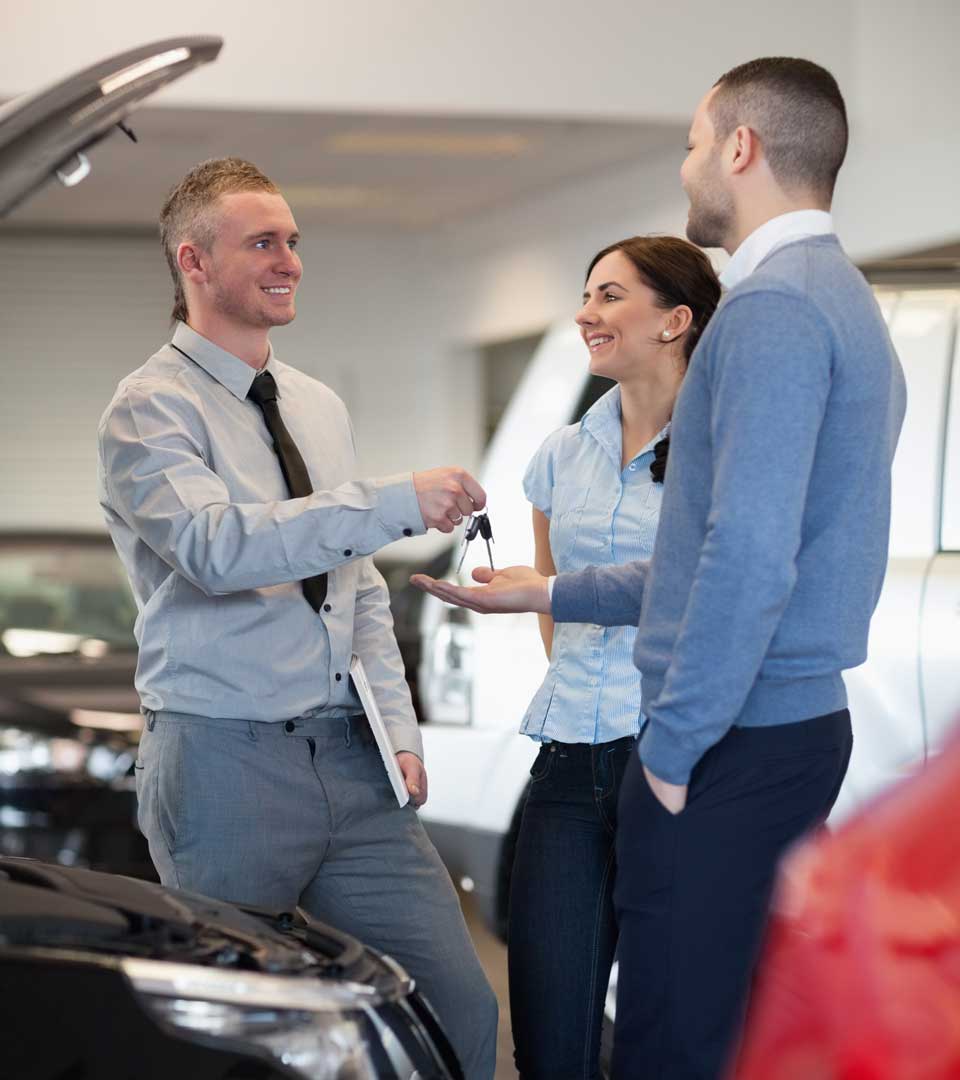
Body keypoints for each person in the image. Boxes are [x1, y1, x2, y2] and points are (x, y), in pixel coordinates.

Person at [412, 57, 906, 1079]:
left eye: (693, 144)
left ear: (741, 148)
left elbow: (748, 556)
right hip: (779, 727)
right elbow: (706, 561)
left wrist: (672, 751)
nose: (686, 168)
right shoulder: (843, 300)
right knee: (712, 1033)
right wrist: (548, 592)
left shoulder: (772, 311)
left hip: (729, 737)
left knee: (669, 1043)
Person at [98, 157, 498, 1079]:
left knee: (456, 1008)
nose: (289, 262)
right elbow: (216, 548)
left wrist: (396, 728)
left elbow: (355, 589)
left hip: (354, 764)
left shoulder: (318, 405)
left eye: (293, 241)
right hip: (222, 765)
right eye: (262, 243)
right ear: (194, 261)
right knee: (231, 1037)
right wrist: (393, 500)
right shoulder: (147, 409)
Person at [509, 236, 720, 1080]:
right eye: (586, 294)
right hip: (566, 765)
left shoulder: (721, 446)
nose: (585, 314)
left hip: (674, 760)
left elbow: (710, 593)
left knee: (667, 1038)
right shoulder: (564, 454)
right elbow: (551, 598)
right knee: (550, 1042)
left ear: (675, 320)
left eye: (609, 295)